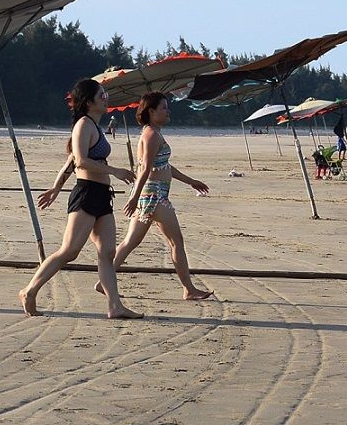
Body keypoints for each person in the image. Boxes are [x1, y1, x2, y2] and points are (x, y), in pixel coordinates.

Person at [21, 78, 141, 319]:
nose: (106, 98)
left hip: (102, 197)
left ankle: (114, 306)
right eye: (101, 95)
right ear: (88, 102)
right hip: (86, 194)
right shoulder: (83, 125)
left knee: (107, 253)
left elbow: (70, 161)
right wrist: (114, 171)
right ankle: (29, 290)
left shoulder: (94, 126)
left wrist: (56, 187)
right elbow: (81, 161)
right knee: (70, 250)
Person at [100, 92, 213, 301]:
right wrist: (133, 198)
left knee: (129, 242)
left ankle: (103, 281)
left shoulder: (153, 133)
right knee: (176, 242)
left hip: (149, 195)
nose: (168, 111)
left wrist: (191, 182)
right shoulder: (151, 134)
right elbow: (145, 170)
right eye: (163, 108)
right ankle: (189, 289)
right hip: (155, 196)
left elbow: (165, 166)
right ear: (151, 112)